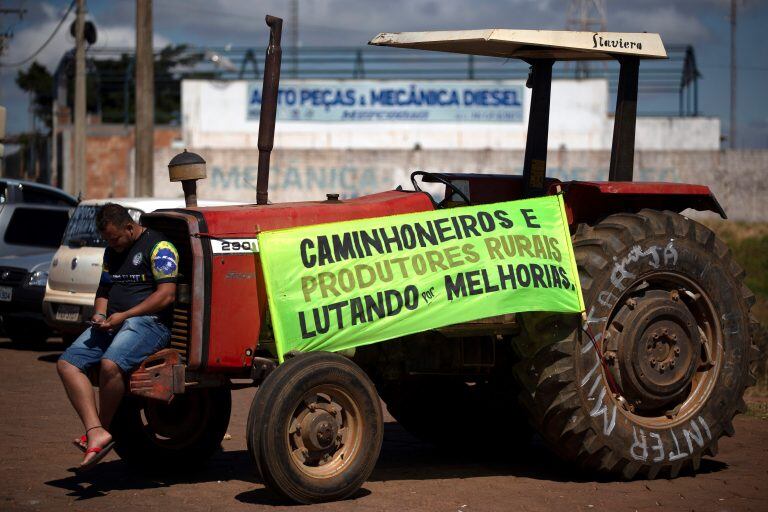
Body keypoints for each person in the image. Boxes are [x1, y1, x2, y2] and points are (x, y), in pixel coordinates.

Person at [57, 203, 178, 471]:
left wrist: (124, 316)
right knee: (67, 364)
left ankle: (102, 428)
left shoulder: (160, 247)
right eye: (107, 240)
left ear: (129, 227)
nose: (112, 243)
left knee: (109, 365)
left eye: (114, 238)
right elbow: (104, 290)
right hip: (112, 323)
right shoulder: (112, 251)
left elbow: (166, 295)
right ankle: (95, 430)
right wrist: (100, 316)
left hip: (149, 323)